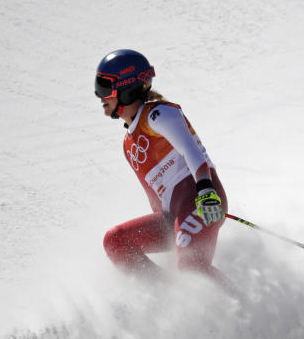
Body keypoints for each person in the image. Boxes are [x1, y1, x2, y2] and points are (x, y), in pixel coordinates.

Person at [95, 49, 228, 281]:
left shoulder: (156, 114)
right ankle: (165, 299)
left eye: (105, 88)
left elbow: (191, 149)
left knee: (192, 269)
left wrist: (206, 190)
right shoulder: (129, 144)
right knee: (115, 241)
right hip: (173, 216)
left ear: (127, 90)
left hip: (201, 200)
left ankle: (251, 310)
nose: (99, 96)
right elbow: (155, 196)